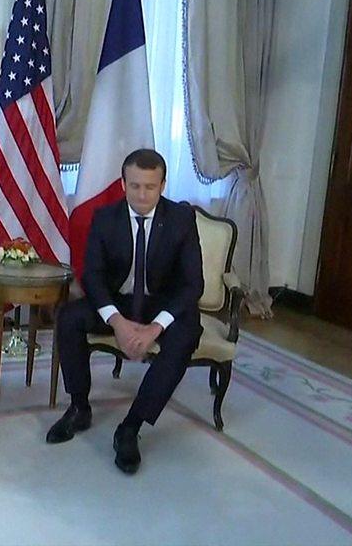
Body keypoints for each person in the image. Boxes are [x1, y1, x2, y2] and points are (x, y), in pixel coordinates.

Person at [47, 148, 203, 474]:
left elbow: (192, 285)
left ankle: (131, 426)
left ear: (162, 184)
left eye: (150, 186)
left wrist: (155, 327)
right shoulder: (105, 218)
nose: (142, 194)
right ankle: (79, 406)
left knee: (186, 334)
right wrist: (116, 322)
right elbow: (92, 275)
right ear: (123, 184)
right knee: (71, 317)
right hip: (117, 300)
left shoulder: (181, 219)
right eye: (135, 186)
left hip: (160, 303)